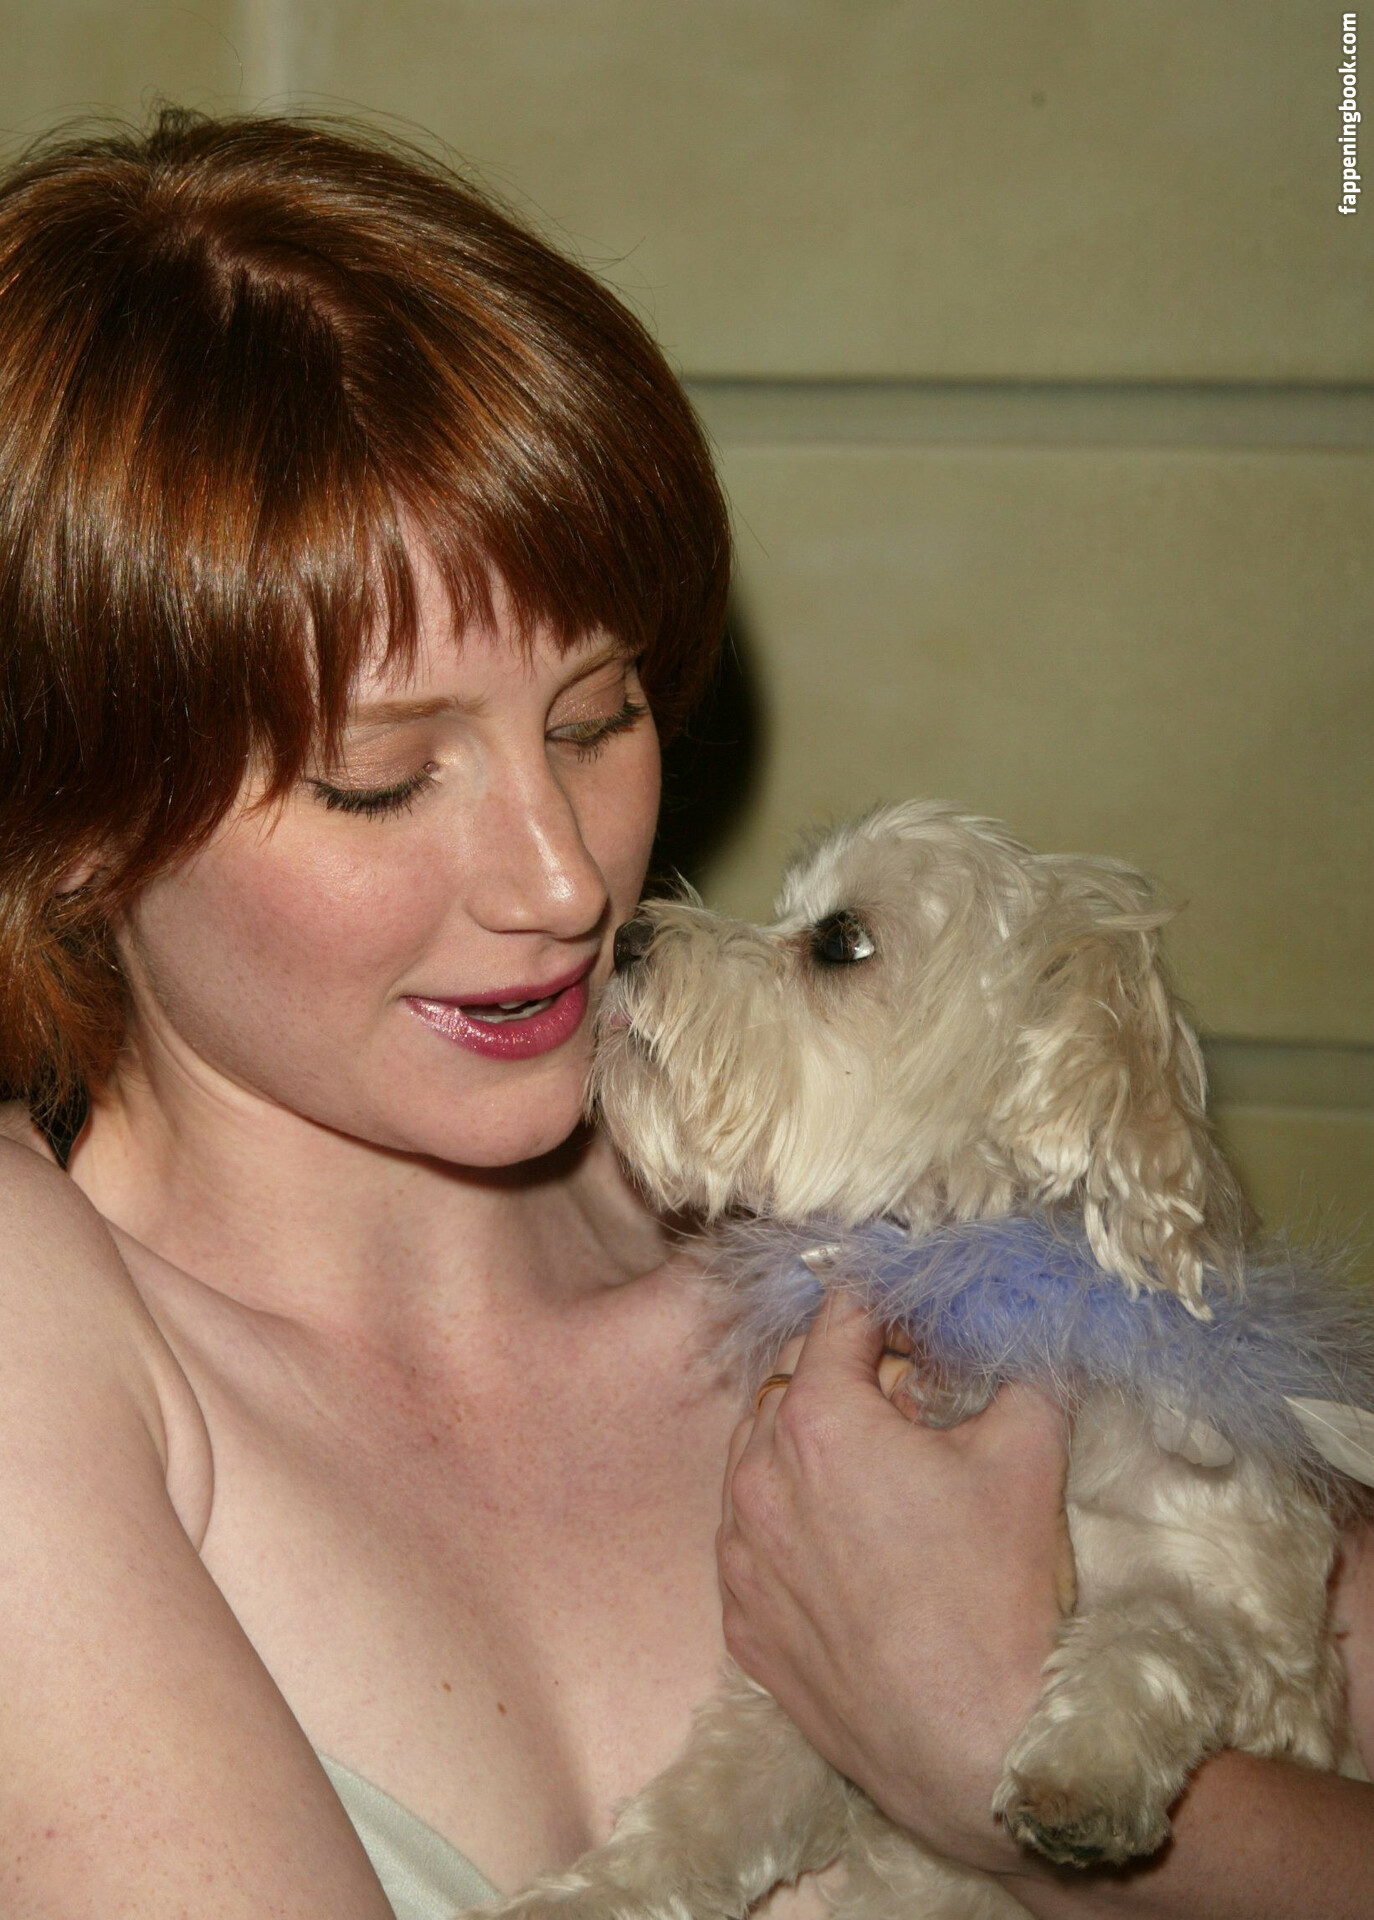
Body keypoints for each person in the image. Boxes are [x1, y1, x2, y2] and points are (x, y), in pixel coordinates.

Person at [0, 108, 1368, 1920]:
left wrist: (992, 1761)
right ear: (73, 817)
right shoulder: (43, 1333)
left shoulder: (914, 1201)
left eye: (596, 719)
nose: (564, 880)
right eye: (378, 779)